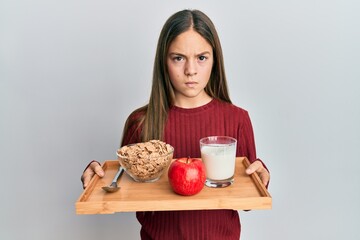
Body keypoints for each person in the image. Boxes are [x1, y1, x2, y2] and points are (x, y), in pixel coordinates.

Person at [81, 9, 270, 240]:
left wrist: (260, 179)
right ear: (164, 61)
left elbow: (245, 201)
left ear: (215, 60)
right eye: (178, 58)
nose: (190, 70)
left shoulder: (237, 120)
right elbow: (123, 186)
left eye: (201, 58)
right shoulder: (140, 122)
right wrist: (98, 178)